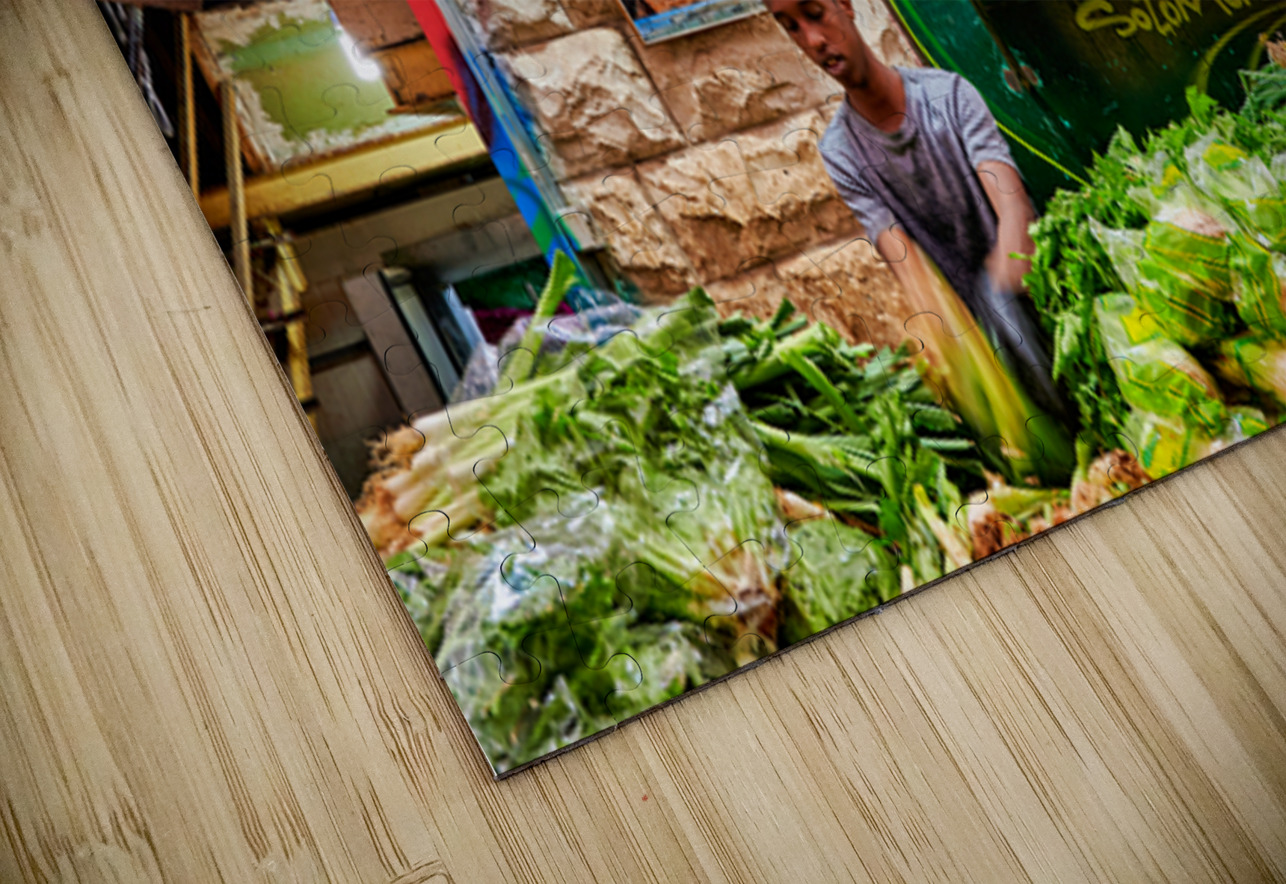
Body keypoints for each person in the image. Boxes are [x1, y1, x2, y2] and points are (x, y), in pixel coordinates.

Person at [766, 0, 1068, 423]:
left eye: (816, 13)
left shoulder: (948, 95)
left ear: (846, 6)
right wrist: (941, 341)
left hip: (1042, 303)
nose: (813, 40)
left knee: (1001, 303)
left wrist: (1009, 262)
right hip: (982, 345)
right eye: (791, 28)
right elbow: (905, 262)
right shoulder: (840, 152)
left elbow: (1011, 201)